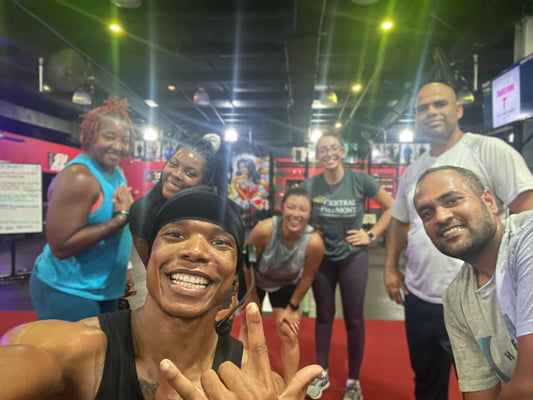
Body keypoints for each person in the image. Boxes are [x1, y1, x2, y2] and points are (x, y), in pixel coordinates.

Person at [1, 187, 323, 400]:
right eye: (175, 234)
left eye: (220, 242)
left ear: (233, 281)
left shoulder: (259, 387)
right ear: (148, 257)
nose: (196, 250)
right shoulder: (65, 349)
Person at [384, 81, 533, 400]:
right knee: (427, 380)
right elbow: (399, 220)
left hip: (491, 296)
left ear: (458, 110)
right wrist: (390, 267)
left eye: (439, 104)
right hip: (424, 294)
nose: (440, 216)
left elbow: (527, 212)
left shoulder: (489, 150)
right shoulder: (414, 170)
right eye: (422, 108)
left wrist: (511, 275)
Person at [413, 166, 533, 400]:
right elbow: (479, 392)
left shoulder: (527, 239)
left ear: (489, 201)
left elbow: (528, 385)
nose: (441, 217)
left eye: (452, 200)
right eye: (427, 213)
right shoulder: (457, 298)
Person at [303, 132, 394, 400]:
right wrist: (310, 234)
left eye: (333, 148)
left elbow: (391, 207)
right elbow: (297, 213)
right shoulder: (311, 184)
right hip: (323, 261)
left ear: (342, 152)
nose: (328, 153)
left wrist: (372, 234)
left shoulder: (359, 180)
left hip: (354, 257)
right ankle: (321, 373)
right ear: (317, 156)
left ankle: (353, 382)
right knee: (323, 315)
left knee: (354, 319)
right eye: (322, 150)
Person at [30, 96, 135, 322]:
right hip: (67, 289)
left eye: (124, 140)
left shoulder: (116, 172)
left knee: (100, 353)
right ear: (91, 137)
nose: (118, 146)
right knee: (72, 357)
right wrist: (120, 218)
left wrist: (124, 269)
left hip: (105, 288)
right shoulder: (79, 177)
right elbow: (61, 246)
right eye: (109, 137)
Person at [242, 186, 325, 384]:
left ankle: (291, 387)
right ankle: (242, 380)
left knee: (288, 331)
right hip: (256, 277)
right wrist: (252, 296)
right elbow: (248, 265)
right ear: (282, 209)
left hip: (285, 283)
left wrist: (293, 307)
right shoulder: (265, 230)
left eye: (303, 209)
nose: (296, 214)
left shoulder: (314, 243)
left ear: (310, 213)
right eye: (292, 208)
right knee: (248, 324)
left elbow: (306, 279)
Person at [129, 136, 223, 266]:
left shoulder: (215, 213)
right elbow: (152, 267)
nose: (176, 174)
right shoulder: (142, 211)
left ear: (204, 183)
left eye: (190, 173)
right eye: (173, 164)